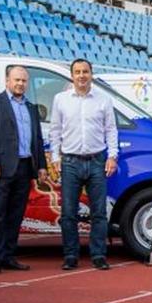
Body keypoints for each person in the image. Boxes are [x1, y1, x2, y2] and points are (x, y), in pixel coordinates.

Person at [0, 65, 48, 276]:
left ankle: (8, 255)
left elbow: (37, 139)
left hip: (25, 167)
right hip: (1, 168)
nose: (20, 84)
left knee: (15, 215)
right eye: (16, 80)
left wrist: (41, 165)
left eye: (24, 81)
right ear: (7, 80)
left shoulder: (31, 107)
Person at [49, 59, 118, 271]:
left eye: (85, 72)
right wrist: (55, 157)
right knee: (69, 213)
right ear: (72, 75)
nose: (81, 76)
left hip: (97, 160)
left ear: (91, 74)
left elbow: (111, 130)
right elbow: (55, 130)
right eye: (77, 72)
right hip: (70, 162)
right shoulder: (60, 100)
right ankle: (70, 256)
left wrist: (112, 156)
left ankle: (98, 255)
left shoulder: (104, 100)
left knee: (99, 213)